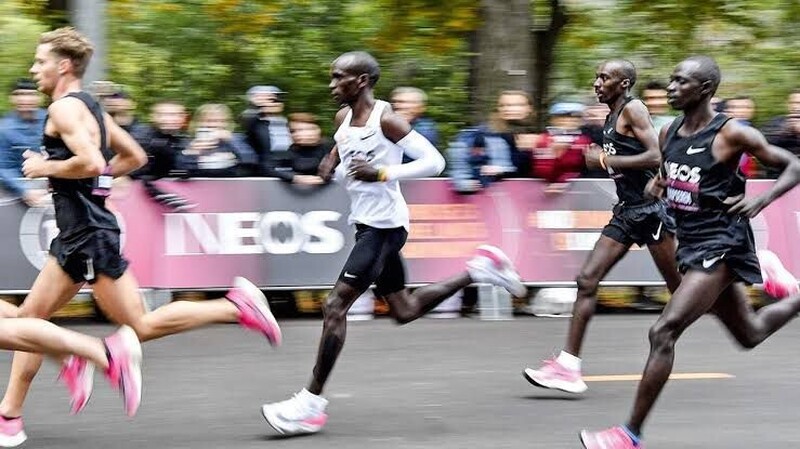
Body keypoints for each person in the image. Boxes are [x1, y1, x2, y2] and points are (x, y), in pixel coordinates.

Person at [1, 27, 283, 447]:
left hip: (86, 235)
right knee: (30, 321)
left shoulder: (63, 109)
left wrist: (47, 169)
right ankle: (13, 413)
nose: (33, 69)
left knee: (136, 325)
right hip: (82, 230)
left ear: (63, 66)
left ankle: (232, 307)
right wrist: (96, 186)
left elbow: (91, 160)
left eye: (40, 62)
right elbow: (134, 157)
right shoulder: (93, 108)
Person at [260, 51, 526, 436]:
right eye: (332, 78)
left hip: (384, 226)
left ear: (363, 80)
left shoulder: (388, 118)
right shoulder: (343, 119)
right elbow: (344, 153)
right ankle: (478, 270)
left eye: (339, 78)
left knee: (335, 306)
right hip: (366, 224)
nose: (332, 85)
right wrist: (329, 165)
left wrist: (382, 172)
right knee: (403, 309)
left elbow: (434, 162)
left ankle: (309, 404)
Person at [580, 56, 800, 449]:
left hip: (723, 244)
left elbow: (792, 166)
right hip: (692, 242)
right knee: (749, 334)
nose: (670, 88)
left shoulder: (732, 133)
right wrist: (658, 186)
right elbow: (668, 173)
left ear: (705, 90)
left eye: (681, 82)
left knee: (663, 330)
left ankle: (629, 435)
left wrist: (762, 200)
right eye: (671, 80)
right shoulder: (670, 133)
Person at [523, 60, 681, 394]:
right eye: (596, 76)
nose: (597, 83)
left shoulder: (633, 109)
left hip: (652, 211)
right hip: (627, 212)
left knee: (684, 289)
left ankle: (753, 275)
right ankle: (568, 367)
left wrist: (605, 161)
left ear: (623, 84)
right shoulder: (610, 117)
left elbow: (655, 157)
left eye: (604, 78)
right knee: (587, 279)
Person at [0, 79, 47, 206]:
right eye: (19, 94)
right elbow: (4, 167)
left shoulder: (51, 120)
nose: (25, 99)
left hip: (55, 187)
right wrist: (25, 190)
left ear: (39, 98)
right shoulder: (4, 128)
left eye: (30, 94)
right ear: (12, 98)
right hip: (18, 194)